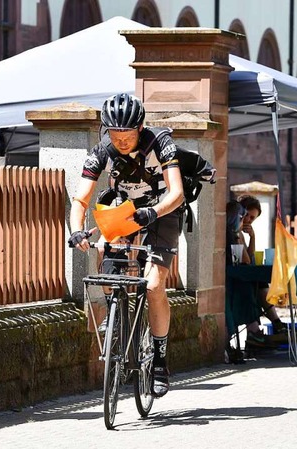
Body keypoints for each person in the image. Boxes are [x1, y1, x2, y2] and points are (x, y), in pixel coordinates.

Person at [68, 93, 184, 398]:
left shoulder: (161, 143)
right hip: (125, 208)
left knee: (153, 285)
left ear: (140, 127)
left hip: (162, 211)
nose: (121, 141)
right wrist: (77, 230)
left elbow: (177, 193)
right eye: (115, 134)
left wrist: (153, 212)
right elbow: (81, 198)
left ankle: (159, 359)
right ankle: (114, 311)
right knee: (105, 246)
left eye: (128, 134)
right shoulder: (102, 151)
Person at [237, 195, 288, 344]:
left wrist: (252, 236)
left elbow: (250, 256)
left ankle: (274, 323)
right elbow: (246, 259)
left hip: (244, 274)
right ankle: (267, 326)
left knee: (261, 283)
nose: (248, 220)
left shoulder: (240, 232)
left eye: (252, 219)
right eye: (247, 215)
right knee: (255, 286)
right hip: (234, 279)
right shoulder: (234, 229)